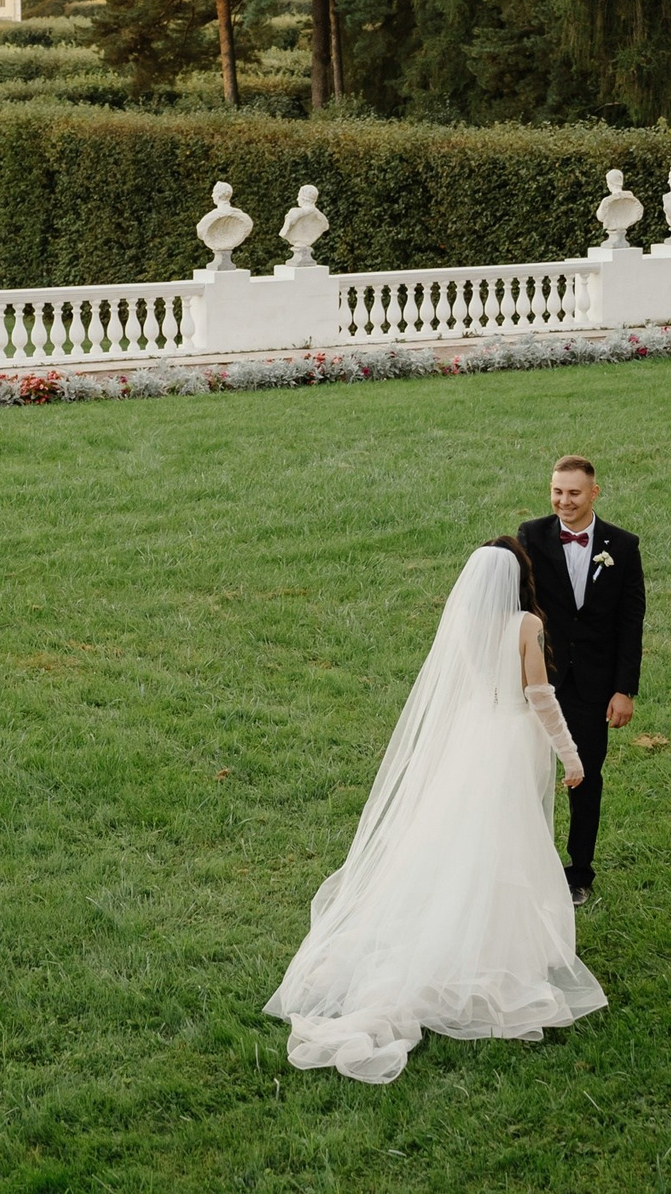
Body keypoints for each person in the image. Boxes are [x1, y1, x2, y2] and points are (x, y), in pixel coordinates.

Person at [264, 540, 607, 1083]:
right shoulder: (524, 626)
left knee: (461, 842)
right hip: (511, 745)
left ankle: (461, 927)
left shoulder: (465, 621)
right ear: (521, 577)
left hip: (472, 741)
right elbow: (539, 696)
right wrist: (571, 754)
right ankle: (496, 947)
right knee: (508, 842)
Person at [517, 456, 646, 904]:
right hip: (539, 680)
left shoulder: (623, 547)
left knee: (584, 777)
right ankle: (527, 865)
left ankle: (579, 872)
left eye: (573, 493)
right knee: (527, 776)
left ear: (594, 493)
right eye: (556, 491)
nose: (563, 501)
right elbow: (516, 607)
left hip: (594, 686)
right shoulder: (531, 536)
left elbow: (631, 622)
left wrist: (623, 688)